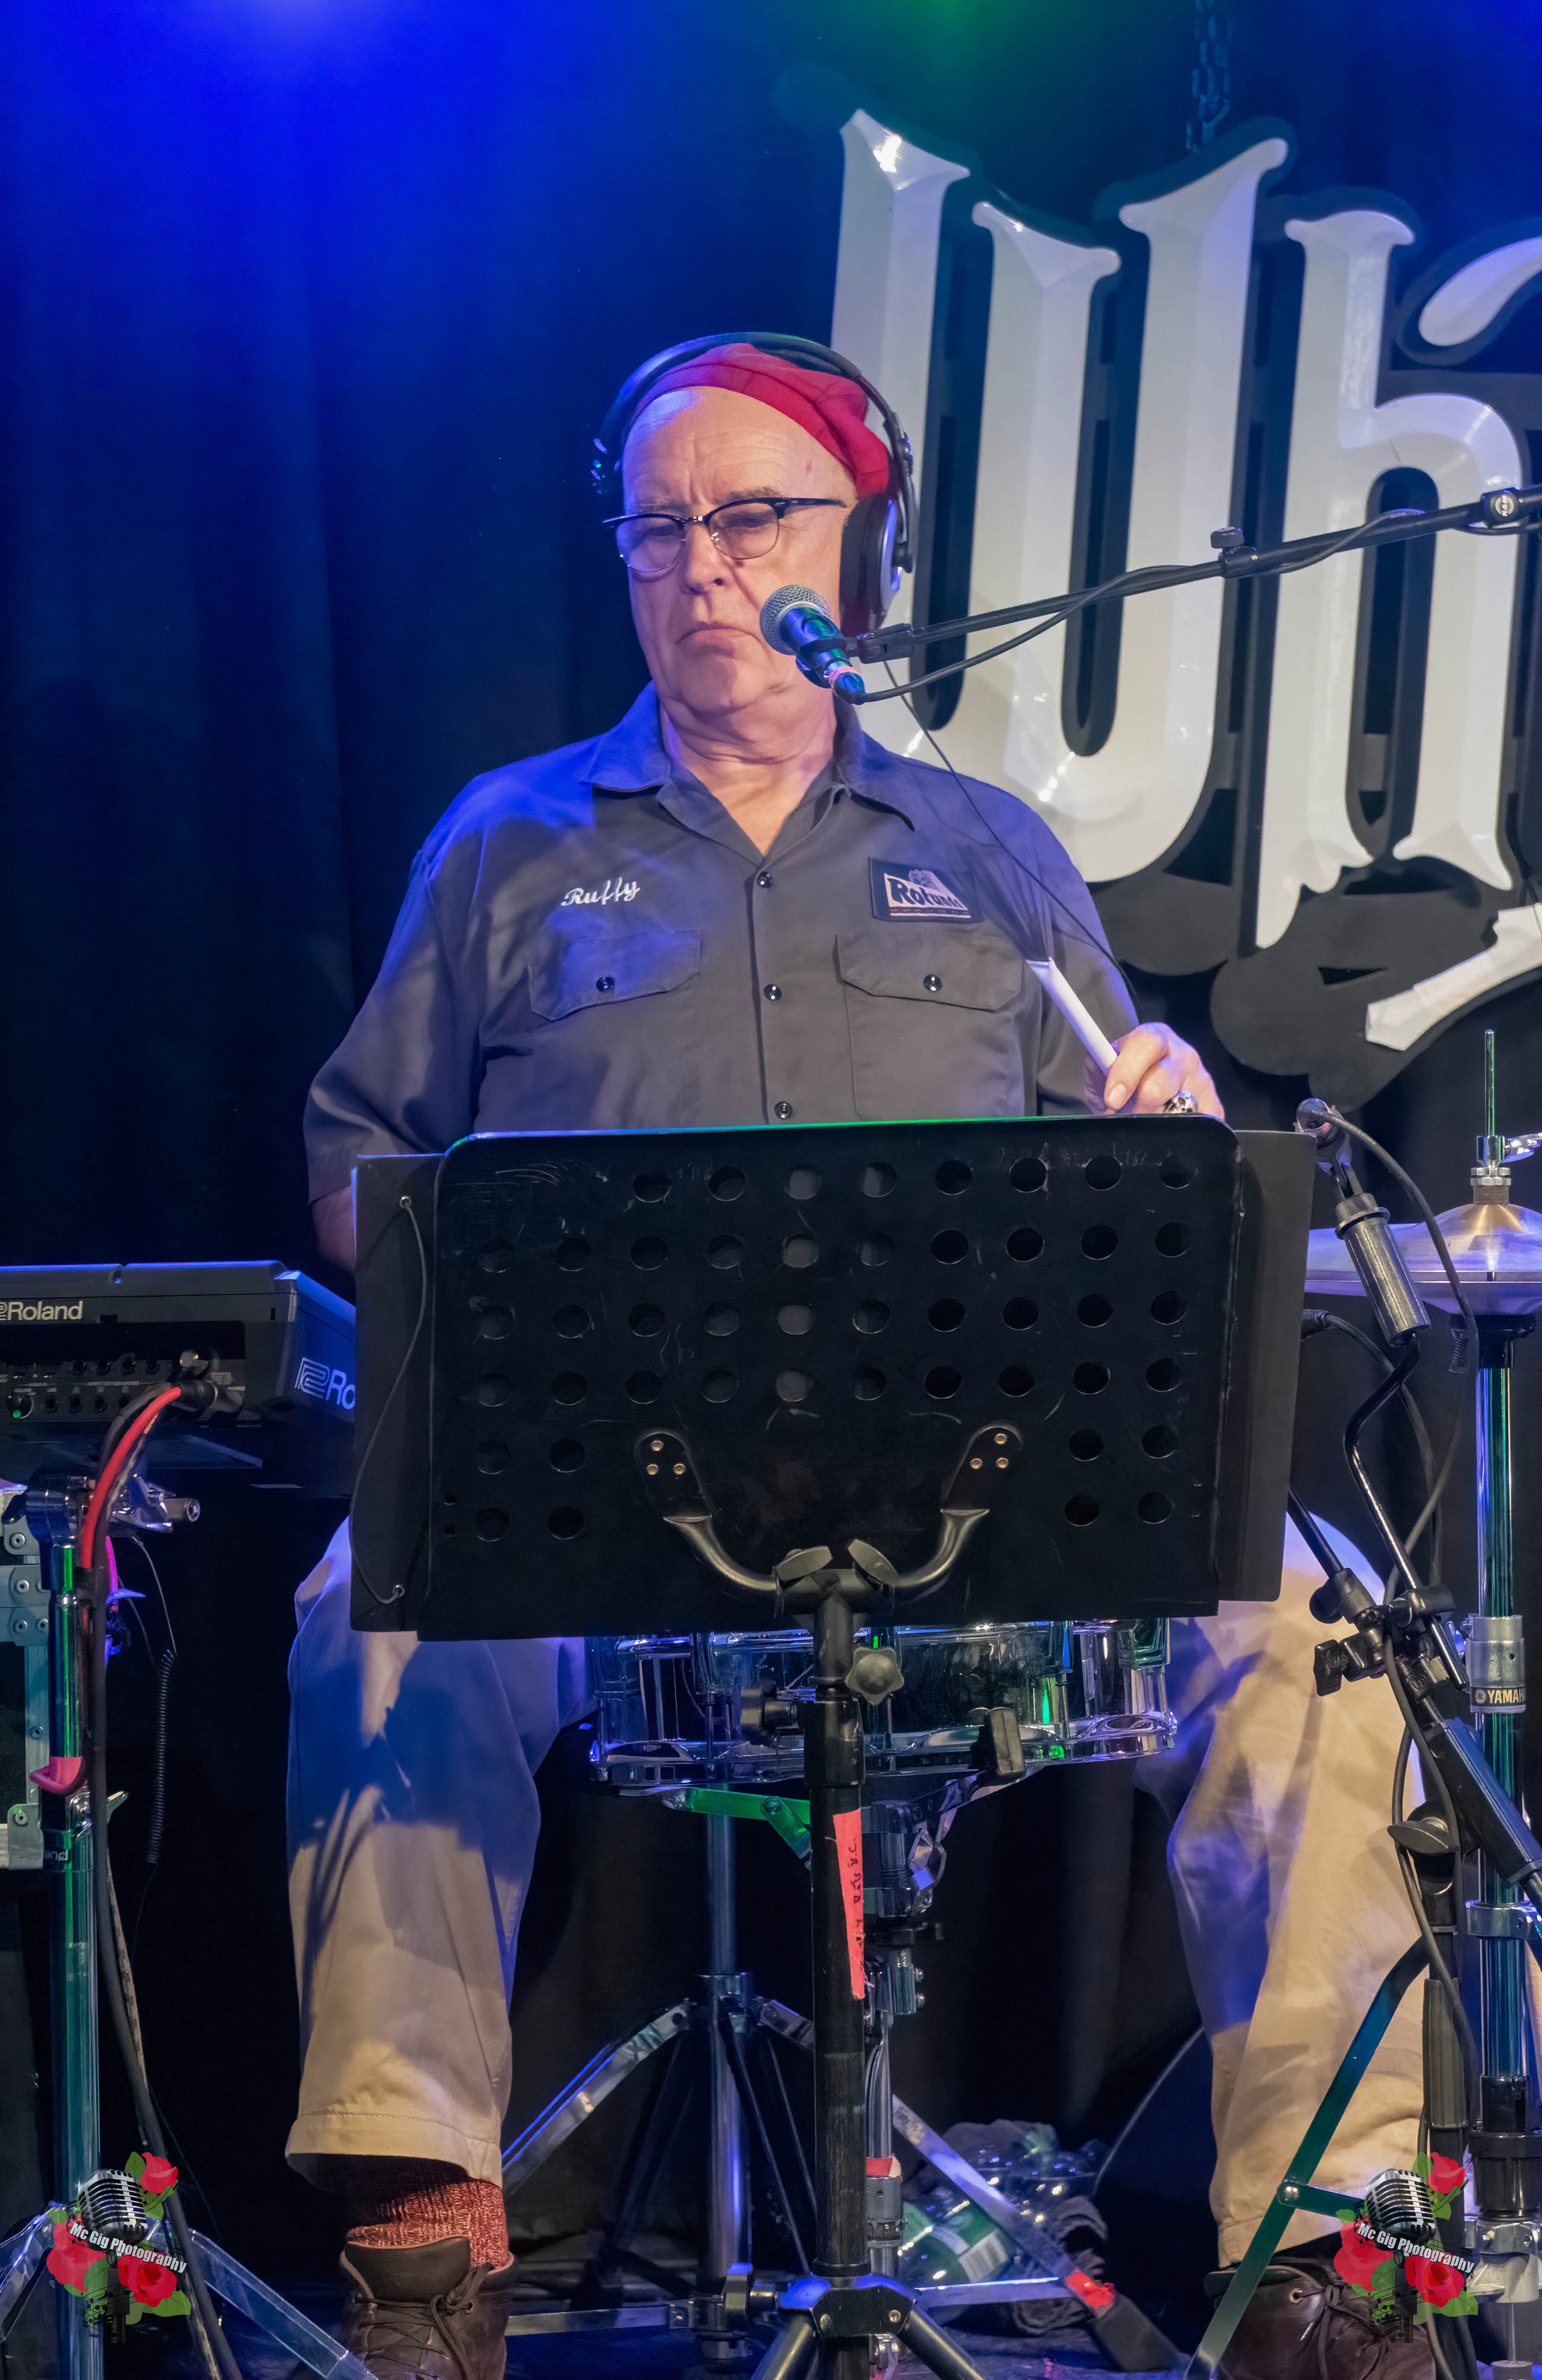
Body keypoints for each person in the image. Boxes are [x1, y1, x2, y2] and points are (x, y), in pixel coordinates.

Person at [289, 340, 1428, 2380]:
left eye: (754, 519)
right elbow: (358, 1167)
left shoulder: (985, 850)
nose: (701, 567)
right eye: (659, 527)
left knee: (1308, 1627)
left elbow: (1129, 1198)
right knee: (362, 1606)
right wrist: (488, 1277)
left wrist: (1164, 1129)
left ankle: (1325, 2254)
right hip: (611, 1494)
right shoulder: (507, 842)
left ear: (863, 559)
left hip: (971, 1495)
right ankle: (420, 2241)